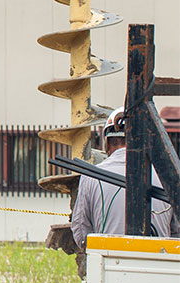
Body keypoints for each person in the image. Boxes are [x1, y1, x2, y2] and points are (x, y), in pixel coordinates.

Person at [71, 107, 180, 249]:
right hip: (157, 262)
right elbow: (176, 232)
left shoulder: (91, 176)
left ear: (107, 143)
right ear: (147, 141)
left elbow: (81, 231)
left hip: (108, 261)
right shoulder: (168, 177)